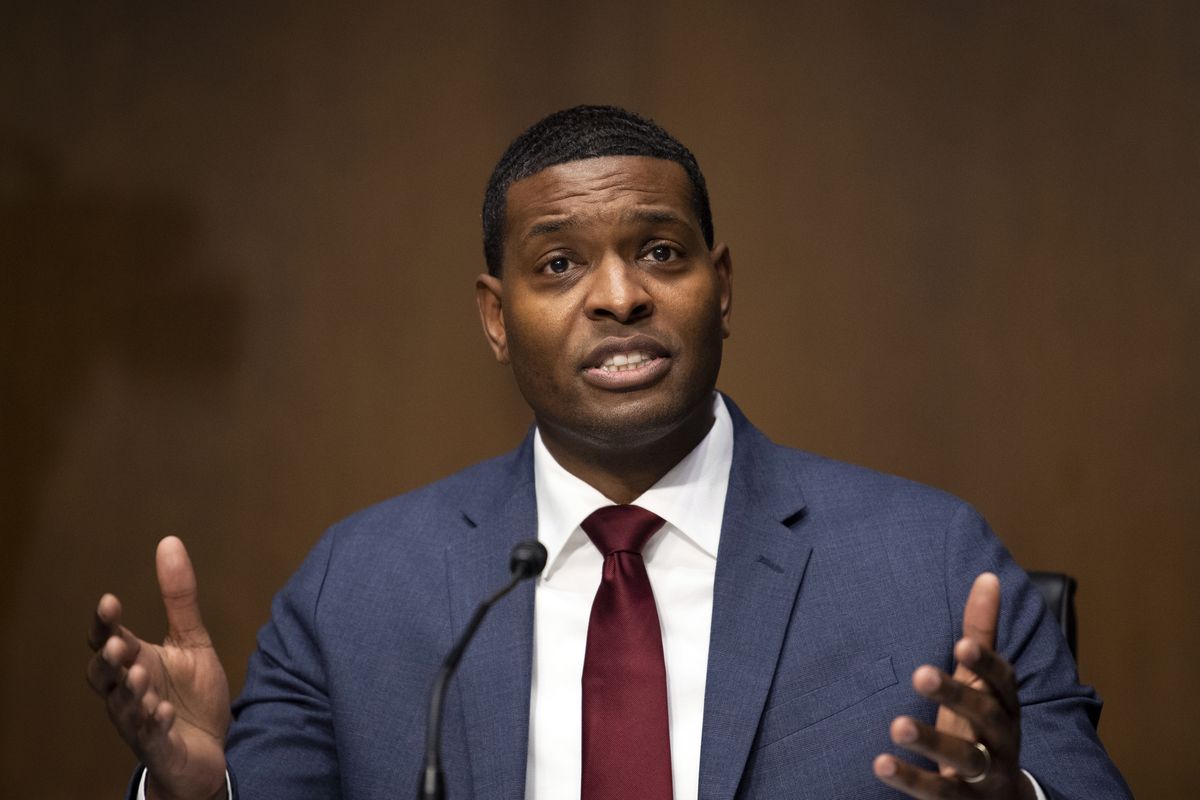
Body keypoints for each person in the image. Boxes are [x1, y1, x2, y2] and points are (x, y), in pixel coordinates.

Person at [87, 105, 1131, 800]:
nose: (621, 295)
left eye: (661, 252)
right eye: (559, 263)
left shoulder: (932, 559)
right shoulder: (357, 586)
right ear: (496, 316)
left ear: (722, 285)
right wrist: (198, 791)